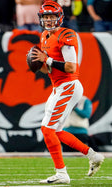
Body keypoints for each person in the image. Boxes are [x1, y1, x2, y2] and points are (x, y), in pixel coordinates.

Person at [31, 1, 104, 184]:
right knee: (56, 130)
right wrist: (37, 64)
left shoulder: (66, 34)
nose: (48, 20)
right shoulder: (44, 36)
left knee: (47, 130)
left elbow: (71, 67)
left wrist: (46, 60)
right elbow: (48, 69)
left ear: (59, 17)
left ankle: (62, 174)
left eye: (52, 16)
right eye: (46, 17)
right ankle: (93, 155)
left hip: (68, 85)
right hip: (58, 86)